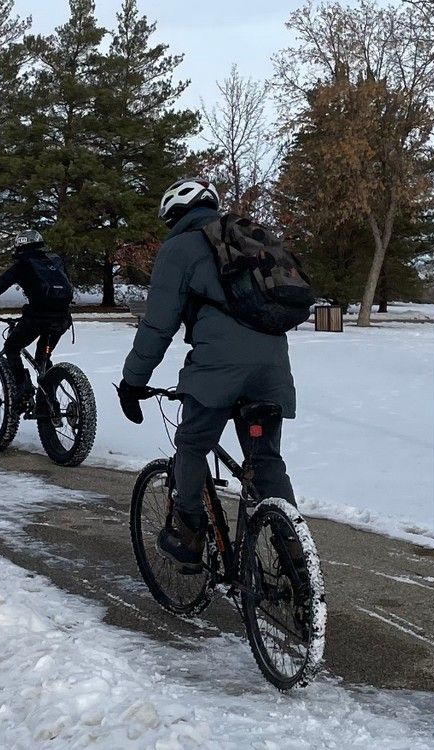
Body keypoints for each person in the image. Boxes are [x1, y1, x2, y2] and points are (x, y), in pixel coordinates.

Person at [116, 178, 296, 571]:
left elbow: (158, 326)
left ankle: (189, 535)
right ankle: (296, 560)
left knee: (193, 444)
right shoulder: (254, 242)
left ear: (174, 216)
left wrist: (132, 382)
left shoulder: (179, 248)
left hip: (217, 369)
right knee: (266, 462)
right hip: (273, 367)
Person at [0, 229, 73, 408]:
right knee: (43, 358)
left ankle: (23, 389)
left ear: (19, 246)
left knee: (12, 347)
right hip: (62, 319)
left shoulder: (23, 265)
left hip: (36, 319)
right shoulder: (54, 261)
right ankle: (48, 400)